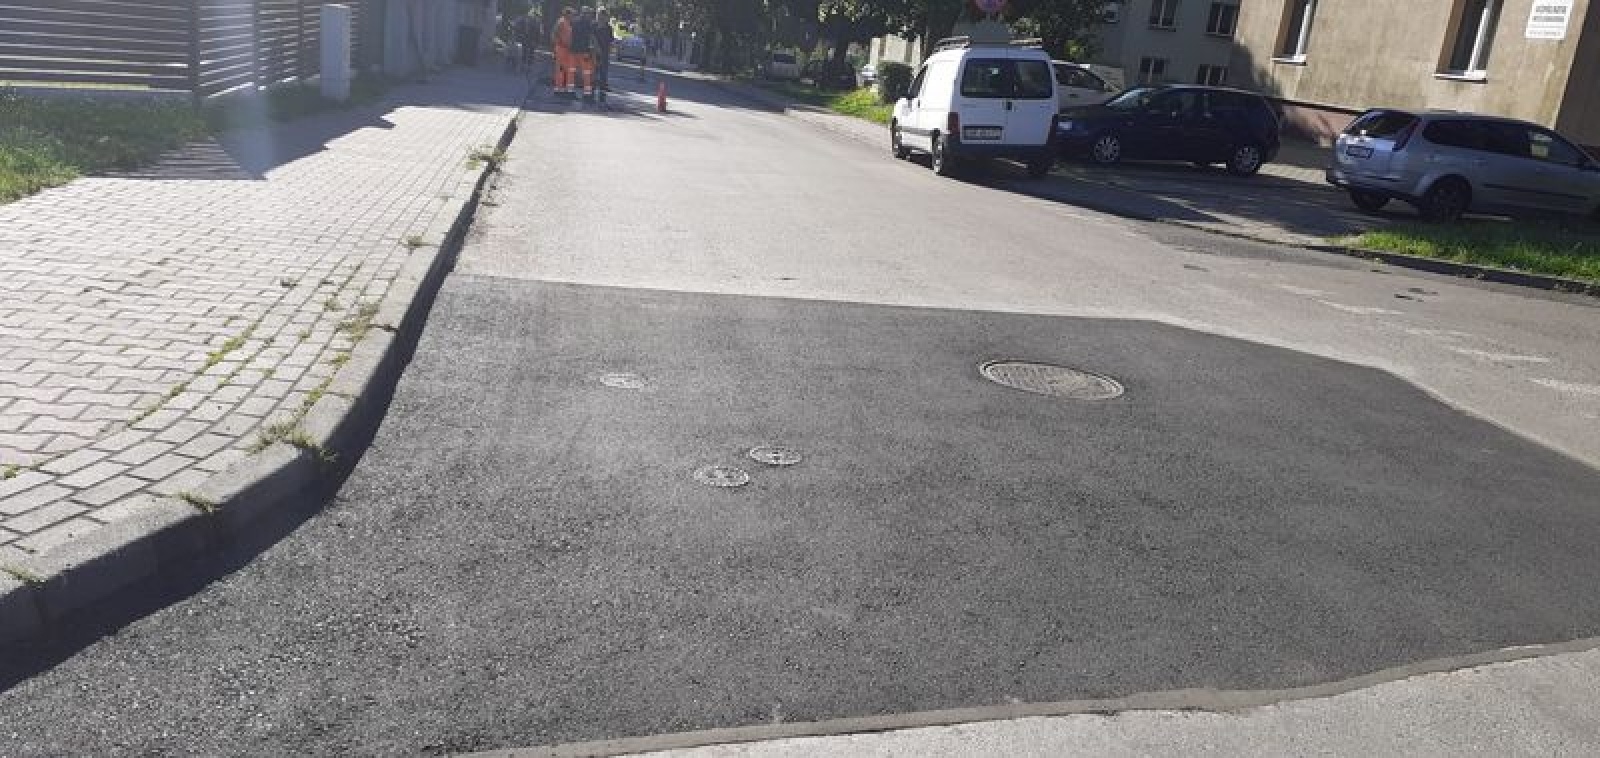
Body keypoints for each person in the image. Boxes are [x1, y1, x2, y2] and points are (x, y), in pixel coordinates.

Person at [568, 7, 597, 102]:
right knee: (586, 73)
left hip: (573, 51)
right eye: (589, 13)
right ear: (586, 13)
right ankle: (587, 94)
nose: (589, 15)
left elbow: (570, 36)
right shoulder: (589, 24)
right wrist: (594, 50)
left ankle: (570, 92)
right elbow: (591, 38)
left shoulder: (574, 22)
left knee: (572, 72)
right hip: (584, 52)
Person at [551, 6, 574, 98]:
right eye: (571, 14)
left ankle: (562, 88)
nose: (572, 16)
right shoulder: (561, 22)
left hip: (566, 50)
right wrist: (560, 42)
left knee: (565, 69)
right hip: (561, 49)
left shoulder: (567, 22)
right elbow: (554, 33)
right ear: (567, 14)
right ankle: (558, 89)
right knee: (560, 69)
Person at [593, 8, 615, 94]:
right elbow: (591, 37)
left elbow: (611, 39)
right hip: (594, 51)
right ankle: (593, 83)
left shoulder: (609, 27)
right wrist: (596, 47)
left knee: (604, 68)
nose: (601, 17)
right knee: (594, 68)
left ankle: (603, 85)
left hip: (605, 51)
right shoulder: (594, 25)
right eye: (600, 15)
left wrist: (611, 48)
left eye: (603, 15)